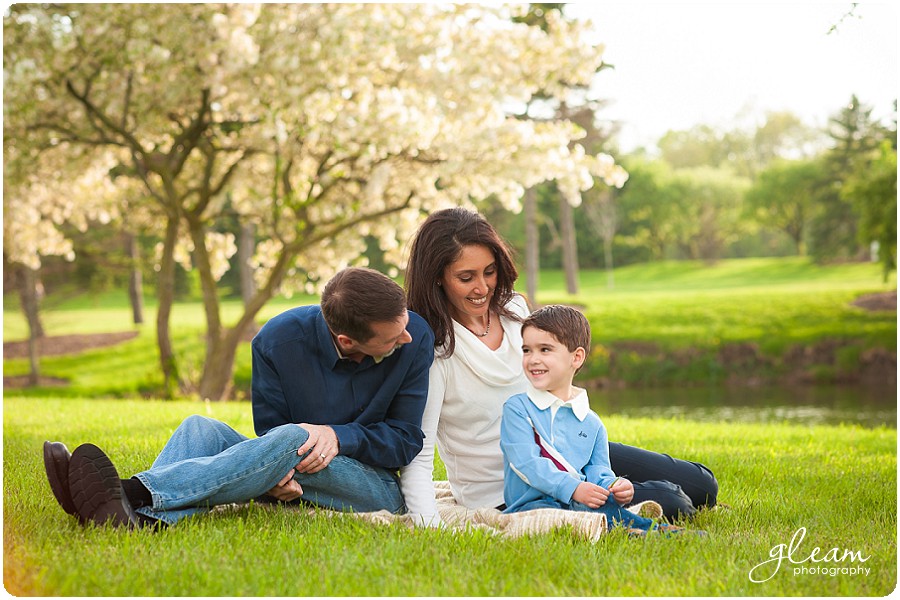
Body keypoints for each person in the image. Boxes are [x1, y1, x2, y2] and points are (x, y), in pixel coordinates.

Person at [43, 267, 434, 528]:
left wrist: (337, 435)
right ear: (347, 341)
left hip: (372, 487)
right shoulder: (276, 342)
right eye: (393, 336)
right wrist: (272, 480)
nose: (407, 337)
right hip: (293, 471)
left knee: (298, 437)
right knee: (201, 428)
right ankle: (142, 520)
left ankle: (130, 491)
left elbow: (404, 440)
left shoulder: (414, 339)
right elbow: (270, 436)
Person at [400, 207, 718, 527]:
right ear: (437, 277)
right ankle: (633, 498)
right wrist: (430, 524)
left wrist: (596, 468)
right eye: (466, 277)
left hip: (567, 450)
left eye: (490, 271)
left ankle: (621, 491)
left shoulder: (514, 310)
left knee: (702, 485)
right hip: (510, 489)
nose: (482, 288)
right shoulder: (436, 351)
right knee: (674, 500)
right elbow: (419, 453)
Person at [501, 304, 696, 535]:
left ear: (577, 357)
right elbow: (527, 463)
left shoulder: (591, 421)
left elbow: (598, 470)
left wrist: (613, 486)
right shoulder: (518, 408)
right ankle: (628, 531)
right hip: (531, 506)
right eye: (526, 350)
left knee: (606, 508)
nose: (533, 359)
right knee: (561, 519)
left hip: (580, 501)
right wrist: (573, 488)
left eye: (545, 350)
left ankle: (651, 531)